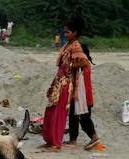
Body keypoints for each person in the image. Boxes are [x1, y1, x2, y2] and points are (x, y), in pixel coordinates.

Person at [40, 20, 101, 151]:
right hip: (62, 82)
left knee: (77, 114)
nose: (65, 34)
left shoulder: (75, 46)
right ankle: (67, 140)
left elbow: (84, 62)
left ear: (75, 33)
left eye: (67, 32)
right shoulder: (68, 45)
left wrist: (70, 66)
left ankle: (90, 138)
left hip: (72, 85)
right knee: (70, 112)